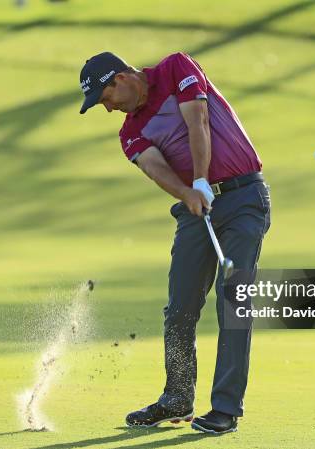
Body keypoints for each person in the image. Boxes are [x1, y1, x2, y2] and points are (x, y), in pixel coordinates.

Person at [79, 51, 271, 434]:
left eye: (105, 98)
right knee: (180, 307)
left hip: (242, 197)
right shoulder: (129, 132)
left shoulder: (175, 68)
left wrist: (201, 180)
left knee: (234, 302)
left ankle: (225, 410)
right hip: (195, 210)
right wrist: (188, 194)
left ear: (119, 79)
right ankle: (178, 397)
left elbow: (197, 120)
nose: (107, 108)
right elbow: (155, 168)